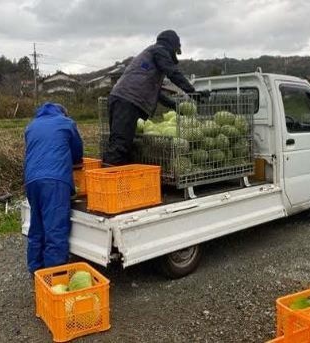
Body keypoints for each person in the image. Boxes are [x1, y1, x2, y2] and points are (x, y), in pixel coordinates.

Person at [103, 29, 208, 165]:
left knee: (121, 144)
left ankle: (116, 179)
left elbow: (155, 93)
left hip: (123, 100)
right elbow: (173, 73)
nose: (174, 55)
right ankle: (109, 183)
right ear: (171, 45)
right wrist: (193, 92)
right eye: (175, 51)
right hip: (127, 102)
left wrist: (174, 106)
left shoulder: (151, 57)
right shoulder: (159, 51)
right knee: (120, 146)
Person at [24, 102, 83, 274]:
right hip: (54, 181)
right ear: (63, 113)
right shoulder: (67, 123)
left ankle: (35, 269)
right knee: (55, 229)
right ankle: (53, 276)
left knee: (37, 225)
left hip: (31, 180)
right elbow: (77, 153)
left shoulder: (31, 126)